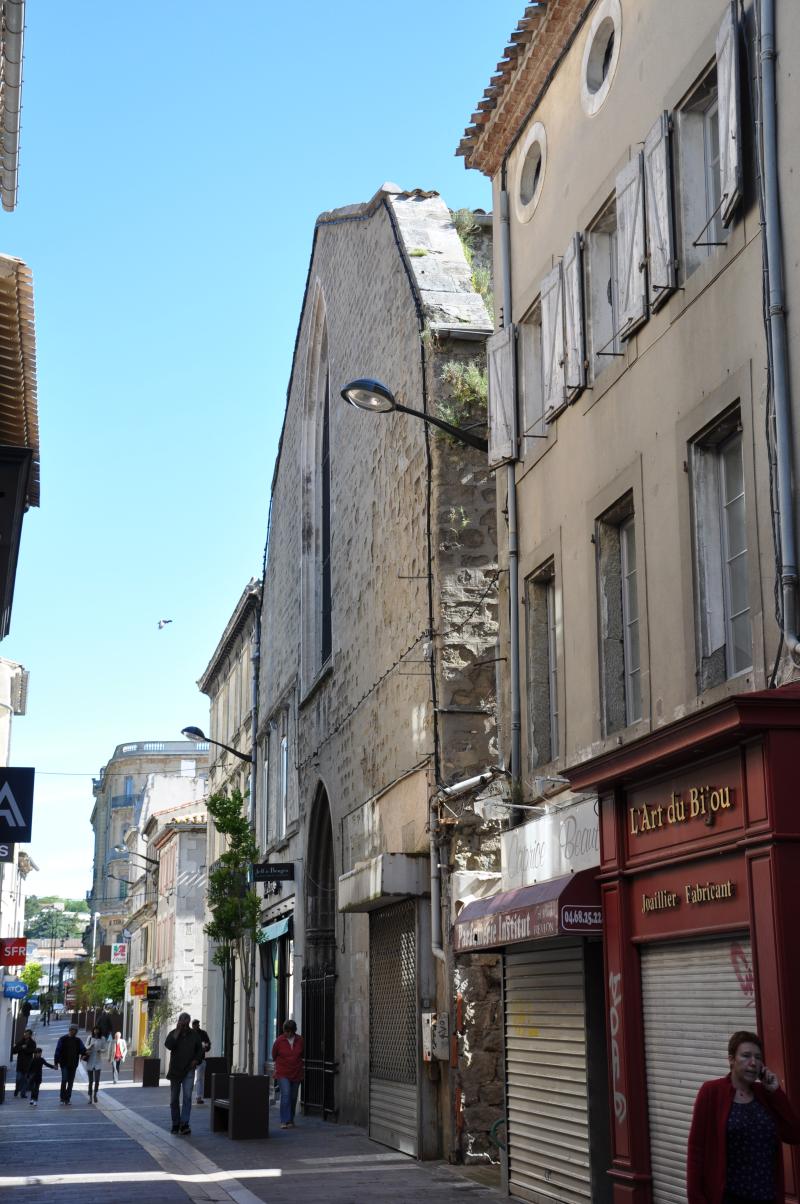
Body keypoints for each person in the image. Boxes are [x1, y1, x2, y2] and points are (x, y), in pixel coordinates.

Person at [687, 1029, 800, 1204]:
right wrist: (696, 1199)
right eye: (746, 1056)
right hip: (730, 1198)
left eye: (758, 1057)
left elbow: (794, 1134)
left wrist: (776, 1092)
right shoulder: (711, 1092)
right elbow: (696, 1150)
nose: (753, 1063)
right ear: (731, 1059)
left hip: (767, 1197)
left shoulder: (764, 1094)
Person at [164, 1012, 205, 1136]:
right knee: (174, 1099)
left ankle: (184, 1123)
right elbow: (168, 1045)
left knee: (187, 1098)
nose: (185, 1026)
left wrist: (196, 1060)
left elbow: (200, 1049)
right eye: (183, 1023)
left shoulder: (194, 1035)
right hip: (175, 1071)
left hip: (189, 1070)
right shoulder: (174, 1033)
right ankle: (175, 1123)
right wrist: (177, 1031)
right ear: (180, 1022)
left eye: (187, 1023)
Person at [271, 1019, 304, 1129]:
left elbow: (302, 1054)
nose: (287, 1034)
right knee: (286, 1094)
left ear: (294, 1031)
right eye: (286, 1031)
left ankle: (290, 1119)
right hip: (283, 1072)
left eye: (290, 1031)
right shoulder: (279, 1041)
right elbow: (274, 1055)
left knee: (293, 1097)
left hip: (296, 1072)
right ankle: (284, 1121)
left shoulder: (300, 1040)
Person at [54, 1024, 87, 1105]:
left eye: (75, 1031)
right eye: (73, 1030)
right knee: (64, 1080)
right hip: (64, 1063)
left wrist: (85, 1054)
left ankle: (67, 1099)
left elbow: (82, 1049)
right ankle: (62, 1098)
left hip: (73, 1064)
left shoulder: (78, 1040)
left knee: (71, 1082)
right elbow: (57, 1051)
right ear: (70, 1030)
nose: (74, 1032)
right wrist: (56, 1062)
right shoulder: (63, 1039)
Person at [84, 1025, 108, 1103]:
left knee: (97, 1080)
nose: (96, 1031)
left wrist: (100, 1050)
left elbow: (105, 1049)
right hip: (90, 1061)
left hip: (98, 1062)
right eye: (95, 1030)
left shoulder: (102, 1038)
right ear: (93, 1030)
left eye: (97, 1030)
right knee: (91, 1081)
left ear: (99, 1031)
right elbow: (85, 1047)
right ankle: (90, 1097)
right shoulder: (90, 1037)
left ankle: (95, 1094)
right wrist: (90, 1046)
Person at [191, 1019, 211, 1104]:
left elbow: (208, 1045)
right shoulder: (189, 1034)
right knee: (191, 1078)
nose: (197, 1026)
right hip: (190, 1060)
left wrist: (204, 1046)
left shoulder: (203, 1033)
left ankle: (199, 1097)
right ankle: (191, 1095)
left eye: (198, 1025)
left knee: (199, 1079)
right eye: (195, 1025)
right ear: (192, 1025)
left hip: (200, 1059)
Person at [12, 1028, 36, 1098]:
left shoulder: (32, 1043)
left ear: (30, 1035)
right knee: (18, 1079)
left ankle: (23, 1093)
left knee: (25, 1079)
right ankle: (16, 1090)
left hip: (28, 1064)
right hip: (20, 1064)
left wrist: (25, 1049)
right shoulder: (20, 1042)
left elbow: (32, 1051)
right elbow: (14, 1051)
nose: (25, 1035)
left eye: (27, 1034)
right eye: (25, 1034)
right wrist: (21, 1047)